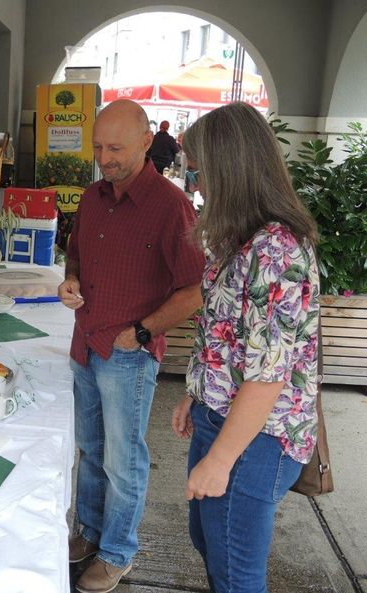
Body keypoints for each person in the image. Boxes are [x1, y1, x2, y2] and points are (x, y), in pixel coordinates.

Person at [171, 102, 320, 593]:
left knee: (235, 572)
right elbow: (225, 333)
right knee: (210, 543)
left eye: (199, 172)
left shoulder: (275, 251)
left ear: (229, 170)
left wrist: (220, 460)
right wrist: (196, 392)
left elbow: (267, 377)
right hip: (221, 417)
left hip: (256, 438)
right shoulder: (241, 238)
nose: (196, 184)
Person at [58, 99, 205, 593]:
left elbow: (194, 289)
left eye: (116, 148)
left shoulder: (171, 206)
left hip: (128, 355)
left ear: (146, 142)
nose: (105, 158)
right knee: (91, 450)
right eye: (99, 147)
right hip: (85, 343)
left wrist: (141, 332)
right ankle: (90, 532)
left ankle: (118, 551)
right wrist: (70, 280)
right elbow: (75, 256)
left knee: (124, 461)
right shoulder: (92, 196)